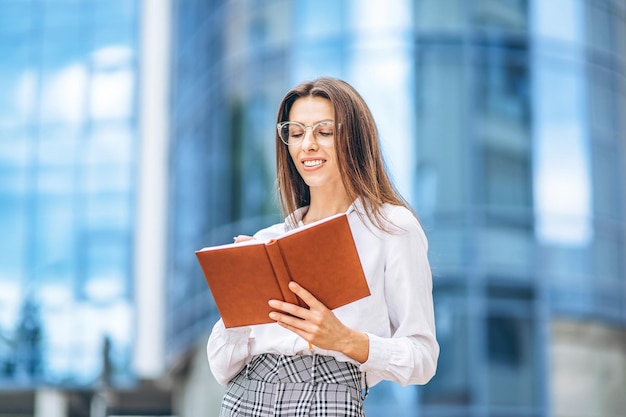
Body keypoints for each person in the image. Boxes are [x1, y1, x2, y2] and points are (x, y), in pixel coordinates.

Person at [207, 77, 438, 416]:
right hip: (247, 395)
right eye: (297, 133)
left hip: (327, 392)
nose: (308, 145)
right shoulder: (267, 239)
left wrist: (343, 338)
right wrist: (239, 303)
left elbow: (422, 358)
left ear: (354, 140)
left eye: (324, 132)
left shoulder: (392, 227)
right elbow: (221, 367)